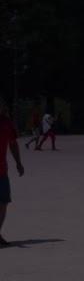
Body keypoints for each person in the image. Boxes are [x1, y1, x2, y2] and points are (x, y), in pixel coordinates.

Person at [0, 97, 25, 247]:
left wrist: (18, 163)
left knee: (3, 203)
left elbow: (13, 144)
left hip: (1, 171)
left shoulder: (6, 123)